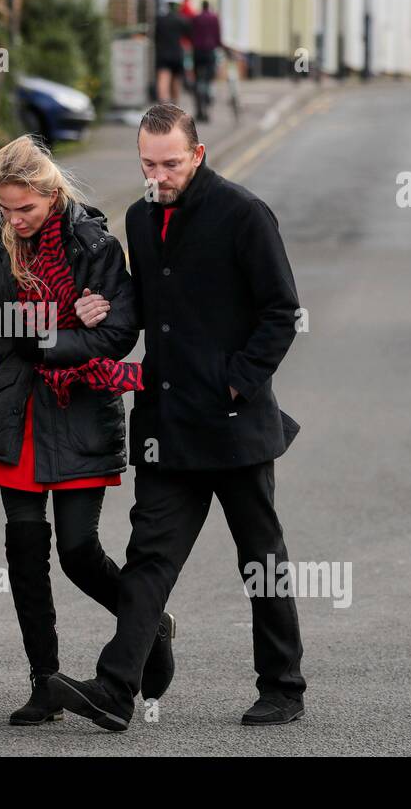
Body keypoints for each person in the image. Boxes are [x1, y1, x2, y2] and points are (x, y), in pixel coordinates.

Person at [48, 104, 306, 731]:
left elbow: (281, 312)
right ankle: (116, 690)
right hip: (167, 426)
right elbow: (148, 307)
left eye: (169, 163)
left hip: (234, 424)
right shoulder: (139, 217)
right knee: (148, 561)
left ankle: (283, 686)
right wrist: (102, 309)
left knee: (260, 558)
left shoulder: (244, 214)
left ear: (198, 153)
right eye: (146, 164)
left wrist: (237, 384)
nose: (157, 176)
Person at [0, 135, 176, 725]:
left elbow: (118, 334)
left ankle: (148, 623)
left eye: (24, 208)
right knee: (25, 556)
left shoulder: (95, 246)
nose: (14, 220)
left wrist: (44, 342)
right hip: (18, 413)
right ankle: (43, 681)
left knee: (79, 552)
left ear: (51, 195)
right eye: (4, 208)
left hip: (81, 411)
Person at [190, 0, 224, 122]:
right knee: (209, 79)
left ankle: (199, 108)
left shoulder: (196, 18)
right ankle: (208, 99)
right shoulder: (214, 18)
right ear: (209, 7)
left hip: (197, 52)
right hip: (210, 52)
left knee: (198, 79)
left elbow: (191, 34)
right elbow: (218, 37)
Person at [154, 0, 189, 105]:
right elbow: (188, 35)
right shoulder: (182, 20)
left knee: (163, 78)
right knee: (176, 80)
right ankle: (175, 106)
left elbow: (156, 36)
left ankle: (163, 104)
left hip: (163, 53)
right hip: (176, 53)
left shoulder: (160, 20)